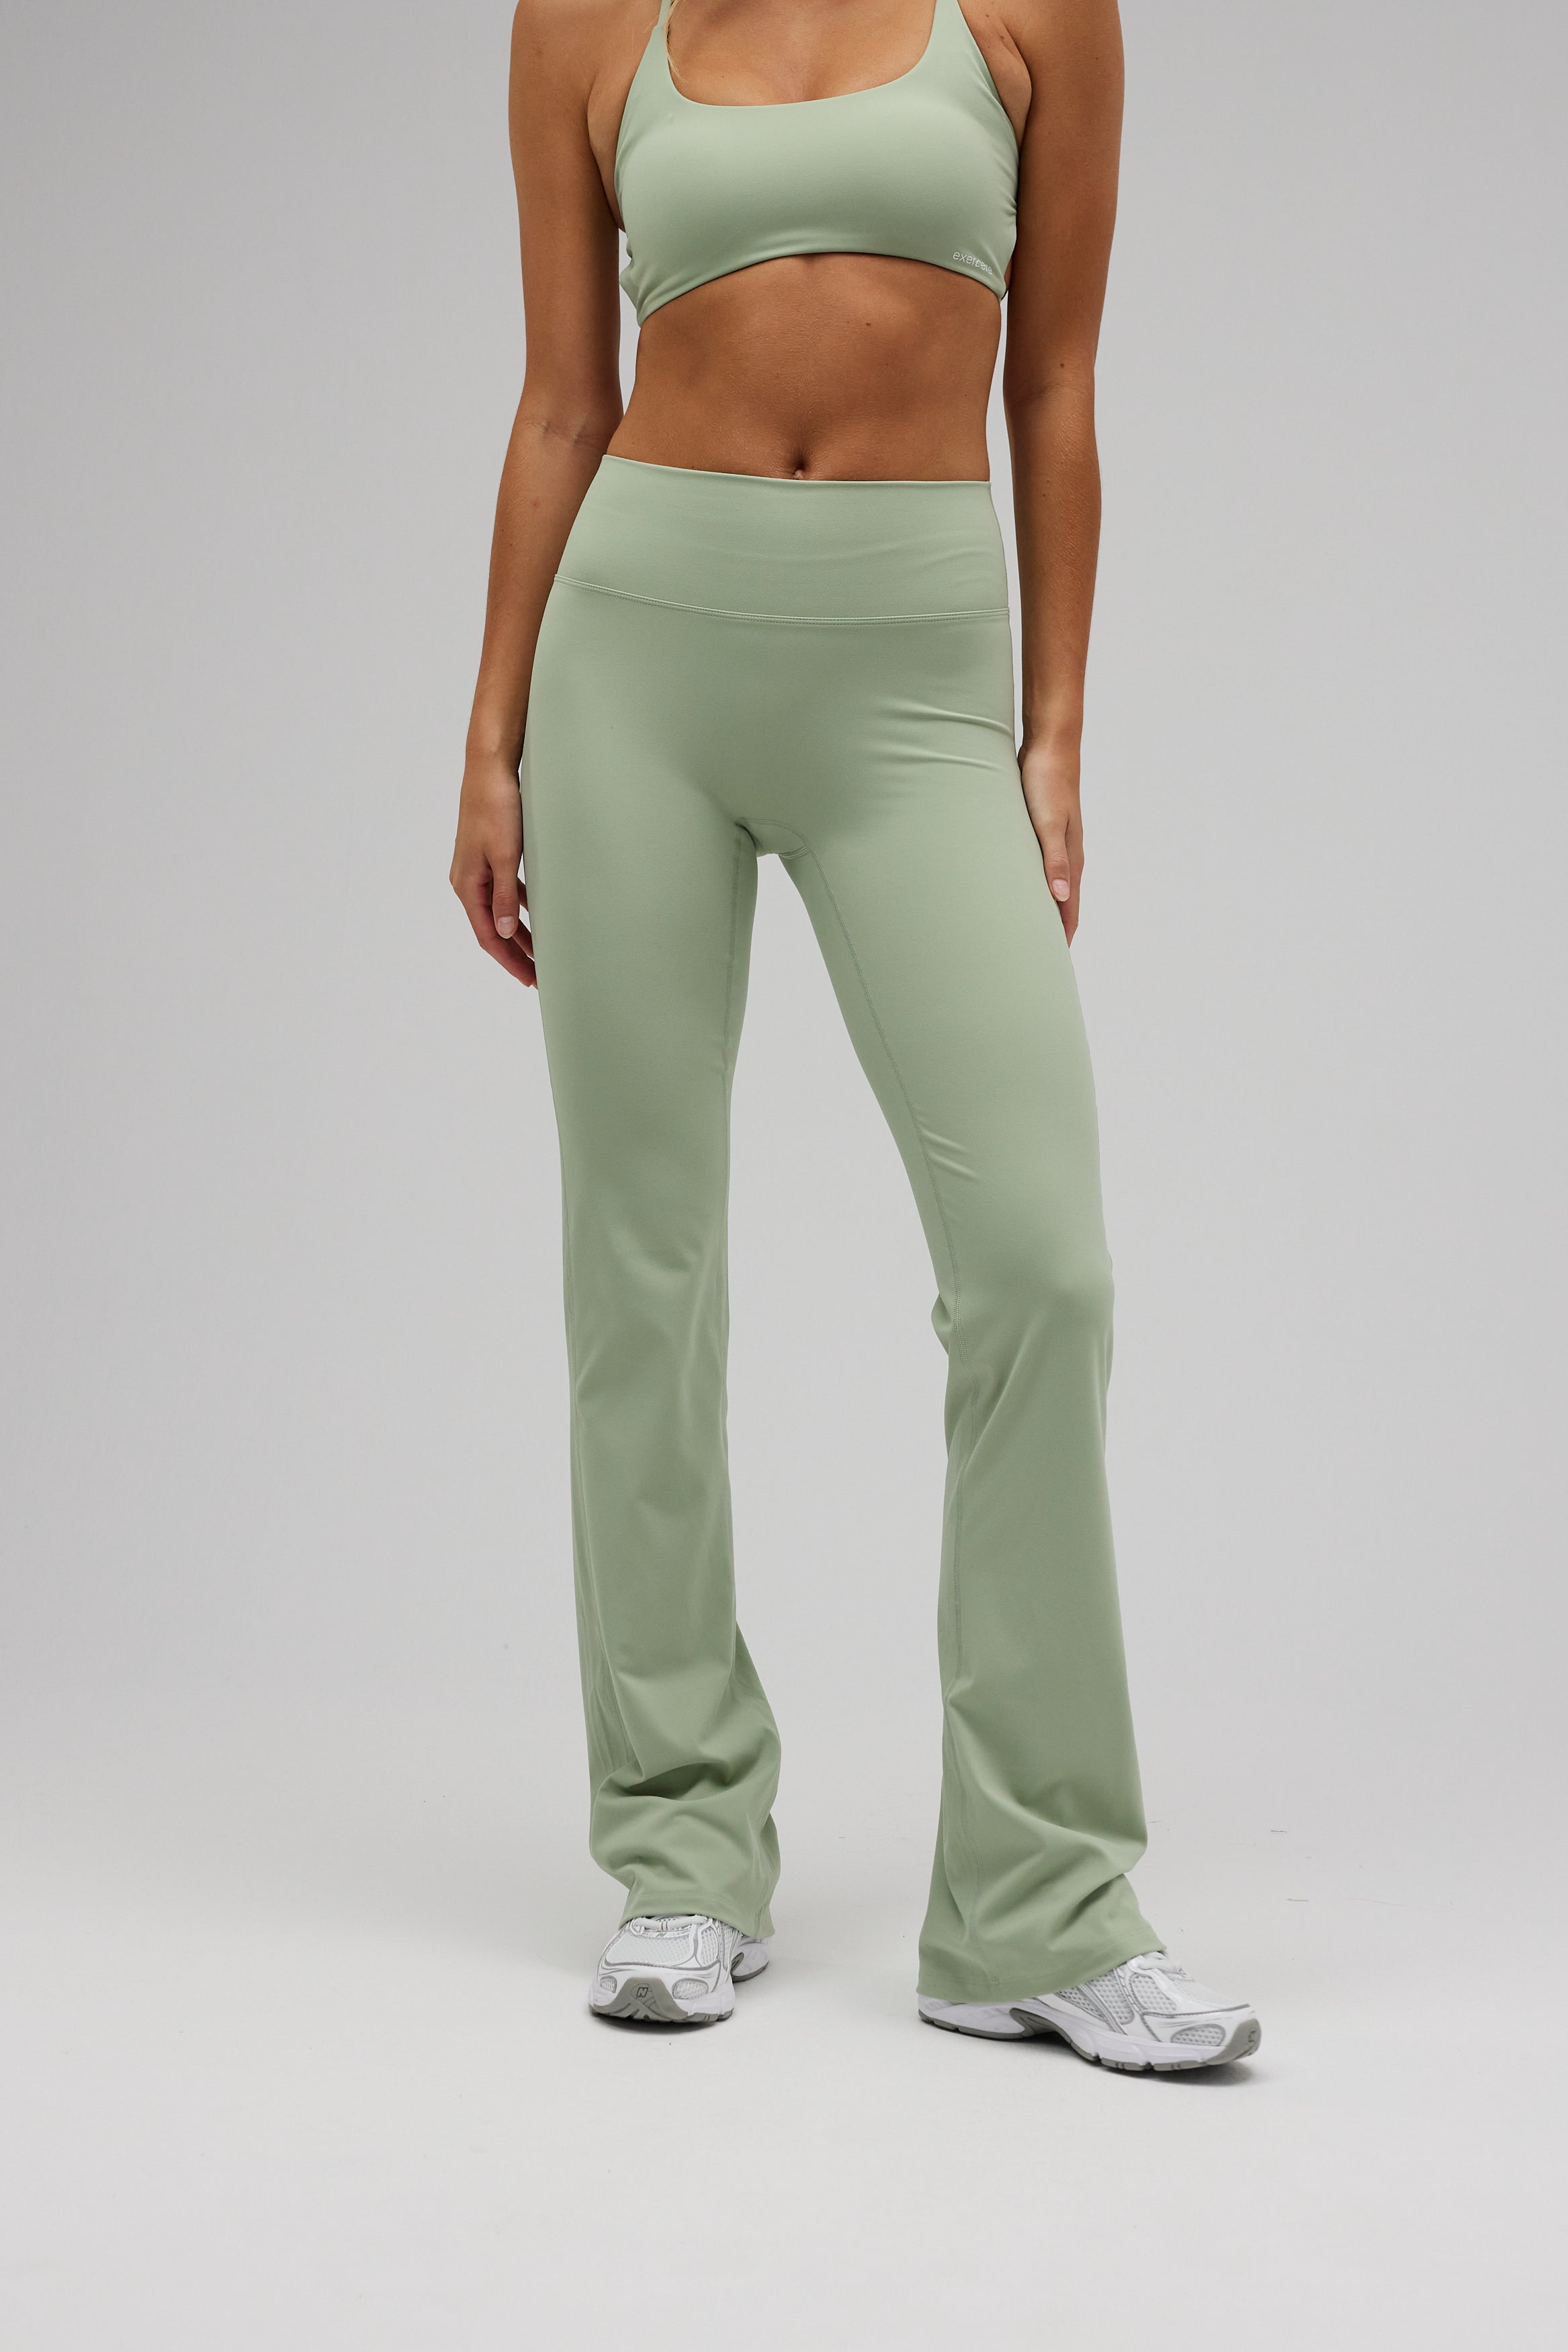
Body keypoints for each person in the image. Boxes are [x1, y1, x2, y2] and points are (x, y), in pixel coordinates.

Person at [450, 0, 1260, 2072]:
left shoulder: (1035, 17)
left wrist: (1055, 731)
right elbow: (563, 400)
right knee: (642, 1265)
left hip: (914, 670)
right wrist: (490, 738)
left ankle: (1033, 1899)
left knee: (1041, 1269)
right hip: (636, 656)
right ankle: (681, 1845)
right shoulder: (583, 24)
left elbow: (1055, 381)